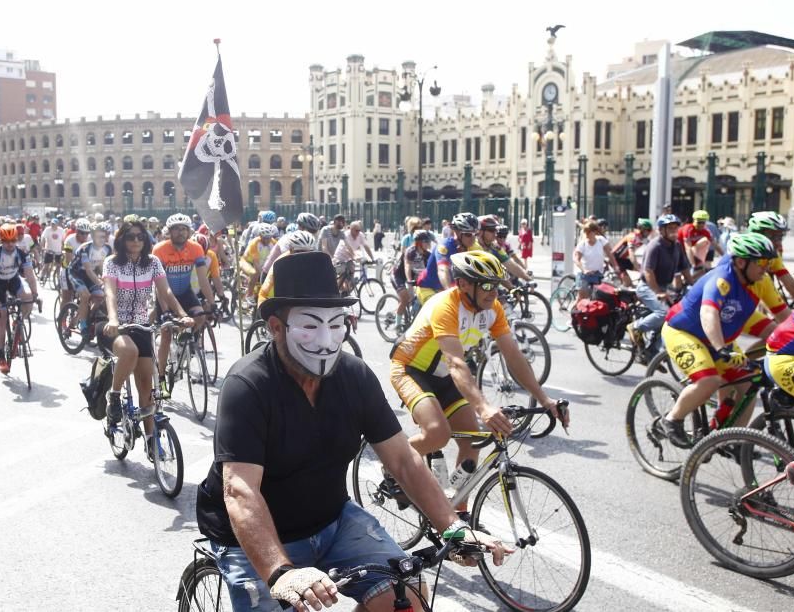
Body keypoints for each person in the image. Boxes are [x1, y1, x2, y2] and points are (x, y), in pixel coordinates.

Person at [196, 251, 509, 611]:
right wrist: (280, 571)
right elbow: (240, 490)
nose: (326, 341)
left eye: (335, 324)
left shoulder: (355, 376)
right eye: (310, 326)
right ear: (275, 327)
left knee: (405, 596)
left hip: (332, 519)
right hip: (255, 536)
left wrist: (453, 527)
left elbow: (404, 461)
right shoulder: (247, 385)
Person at [390, 251, 568, 514]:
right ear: (463, 284)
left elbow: (514, 357)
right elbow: (456, 364)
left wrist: (544, 399)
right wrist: (484, 407)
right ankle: (391, 462)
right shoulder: (446, 305)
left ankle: (458, 514)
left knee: (472, 441)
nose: (493, 292)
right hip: (410, 369)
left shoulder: (492, 309)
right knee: (438, 434)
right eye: (485, 285)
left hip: (445, 377)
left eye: (496, 285)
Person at [660, 233, 788, 446]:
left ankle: (729, 439)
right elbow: (709, 313)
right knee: (710, 380)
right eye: (762, 262)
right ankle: (672, 419)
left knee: (748, 386)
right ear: (740, 262)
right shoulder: (722, 278)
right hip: (683, 332)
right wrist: (722, 348)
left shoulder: (761, 281)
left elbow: (784, 319)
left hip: (719, 335)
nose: (766, 267)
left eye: (769, 262)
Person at [99, 221, 192, 452]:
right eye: (130, 237)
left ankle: (152, 441)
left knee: (146, 387)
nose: (136, 241)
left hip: (141, 325)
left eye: (140, 237)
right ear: (122, 239)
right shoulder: (112, 263)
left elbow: (165, 291)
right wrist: (113, 319)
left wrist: (182, 315)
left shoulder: (153, 263)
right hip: (113, 324)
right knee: (129, 351)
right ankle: (114, 397)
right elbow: (110, 293)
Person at [152, 213, 215, 387]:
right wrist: (165, 311)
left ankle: (184, 345)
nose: (180, 232)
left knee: (200, 316)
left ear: (189, 231)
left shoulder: (196, 248)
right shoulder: (159, 250)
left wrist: (213, 303)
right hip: (165, 294)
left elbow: (203, 281)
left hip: (186, 293)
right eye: (176, 229)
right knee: (165, 336)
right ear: (169, 232)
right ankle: (162, 378)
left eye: (183, 229)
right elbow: (159, 285)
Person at [626, 215, 694, 348]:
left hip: (664, 287)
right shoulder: (655, 246)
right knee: (664, 313)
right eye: (670, 228)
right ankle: (636, 327)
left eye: (675, 228)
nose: (674, 231)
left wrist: (694, 285)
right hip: (648, 287)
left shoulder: (677, 246)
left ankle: (652, 353)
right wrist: (658, 291)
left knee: (672, 317)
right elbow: (648, 272)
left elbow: (685, 268)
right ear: (662, 230)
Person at [0, 224, 39, 373]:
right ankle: (1, 354)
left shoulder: (21, 252)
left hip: (13, 280)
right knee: (1, 318)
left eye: (13, 241)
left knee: (28, 299)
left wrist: (35, 294)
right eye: (6, 241)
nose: (10, 244)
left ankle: (18, 322)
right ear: (1, 240)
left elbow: (29, 274)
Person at [415, 212, 480, 305]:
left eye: (476, 234)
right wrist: (449, 291)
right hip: (428, 288)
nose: (473, 238)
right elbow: (442, 270)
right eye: (468, 234)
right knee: (440, 314)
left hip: (451, 287)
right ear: (457, 232)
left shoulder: (473, 246)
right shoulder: (445, 247)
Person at [67, 222, 113, 336]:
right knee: (85, 295)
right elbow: (88, 270)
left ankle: (87, 317)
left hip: (90, 274)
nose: (105, 238)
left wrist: (108, 282)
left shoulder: (107, 248)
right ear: (93, 236)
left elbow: (102, 267)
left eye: (106, 235)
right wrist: (101, 283)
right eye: (101, 236)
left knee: (100, 297)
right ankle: (83, 325)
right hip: (77, 273)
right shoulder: (85, 248)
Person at [746, 211, 794, 302]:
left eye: (780, 237)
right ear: (756, 234)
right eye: (772, 236)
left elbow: (791, 285)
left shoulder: (774, 256)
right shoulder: (742, 257)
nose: (778, 242)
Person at [573, 221, 619, 300]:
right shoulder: (583, 244)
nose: (586, 235)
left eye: (589, 232)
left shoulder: (601, 240)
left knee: (599, 297)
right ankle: (574, 310)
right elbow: (576, 259)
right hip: (584, 275)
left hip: (598, 274)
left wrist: (615, 266)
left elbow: (610, 254)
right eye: (585, 232)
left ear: (594, 232)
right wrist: (584, 270)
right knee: (582, 298)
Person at [331, 220, 375, 294]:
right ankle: (335, 291)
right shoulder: (346, 235)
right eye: (356, 230)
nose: (358, 232)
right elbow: (347, 249)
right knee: (343, 273)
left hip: (349, 258)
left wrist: (372, 258)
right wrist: (355, 257)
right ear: (351, 229)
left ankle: (346, 291)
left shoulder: (360, 235)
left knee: (351, 274)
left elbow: (366, 246)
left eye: (359, 230)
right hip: (340, 258)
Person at [612, 219, 653, 286]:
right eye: (648, 230)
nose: (650, 233)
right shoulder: (633, 237)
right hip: (615, 259)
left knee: (645, 270)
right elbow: (632, 255)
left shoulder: (643, 238)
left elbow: (652, 248)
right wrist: (639, 269)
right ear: (642, 229)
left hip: (623, 260)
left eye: (650, 230)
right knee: (628, 284)